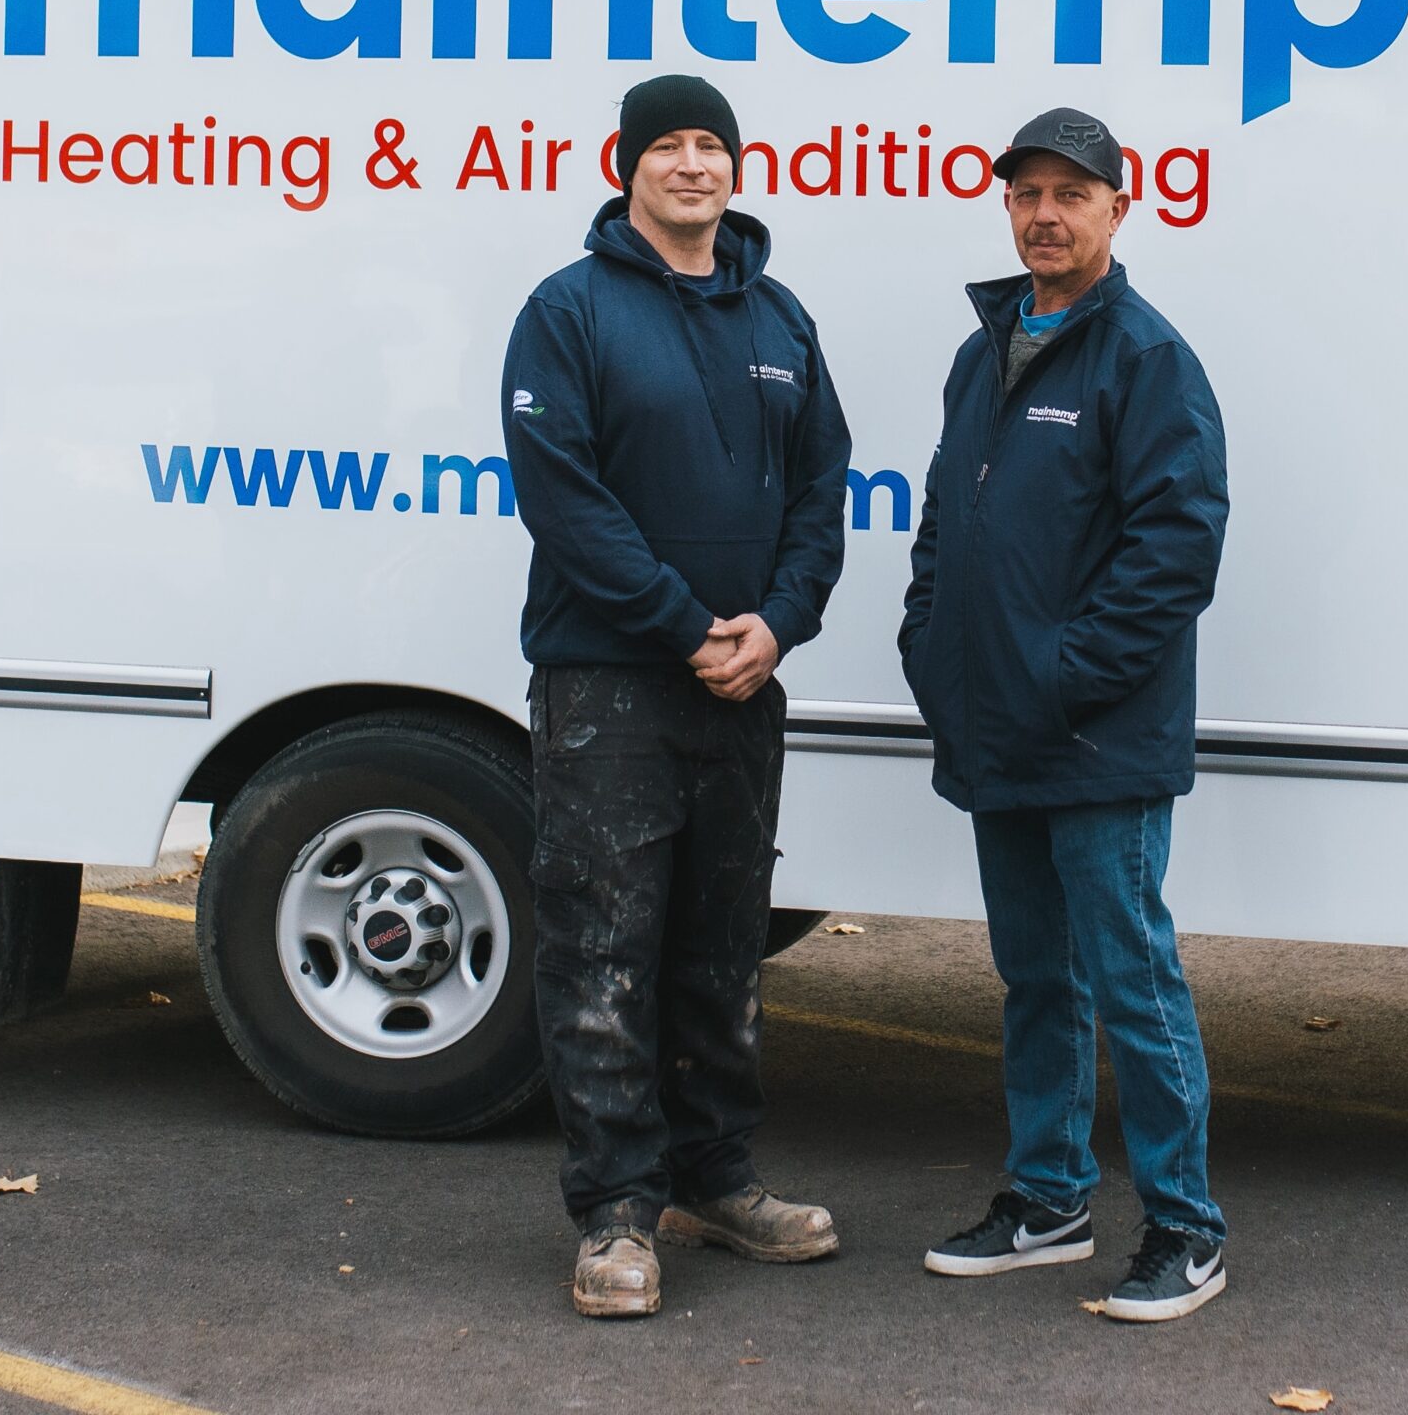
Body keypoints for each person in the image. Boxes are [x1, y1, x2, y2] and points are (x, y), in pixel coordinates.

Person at [502, 73, 852, 1319]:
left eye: (712, 145)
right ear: (627, 166)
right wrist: (682, 623)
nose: (694, 164)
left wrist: (780, 623)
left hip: (743, 682)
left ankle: (718, 1179)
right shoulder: (570, 311)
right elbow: (563, 495)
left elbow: (825, 488)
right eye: (670, 147)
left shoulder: (781, 318)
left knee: (720, 948)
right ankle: (613, 1217)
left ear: (736, 169)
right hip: (609, 686)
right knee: (601, 950)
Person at [900, 107, 1231, 1323]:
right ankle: (1048, 1202)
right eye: (1027, 194)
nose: (1045, 214)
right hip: (997, 730)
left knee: (1131, 980)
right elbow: (947, 519)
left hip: (1097, 739)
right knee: (1035, 976)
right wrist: (930, 640)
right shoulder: (983, 349)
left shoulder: (1145, 357)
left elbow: (1177, 547)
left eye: (1071, 195)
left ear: (1117, 209)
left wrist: (1059, 674)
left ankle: (1187, 1231)